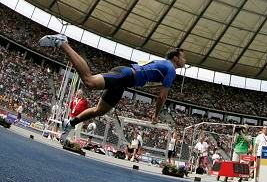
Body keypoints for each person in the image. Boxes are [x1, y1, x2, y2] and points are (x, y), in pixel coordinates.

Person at [39, 33, 186, 143]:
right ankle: (62, 42)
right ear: (175, 58)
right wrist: (156, 115)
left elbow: (151, 78)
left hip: (125, 81)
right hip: (126, 75)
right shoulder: (171, 69)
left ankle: (70, 123)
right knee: (89, 82)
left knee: (100, 110)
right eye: (183, 57)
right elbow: (162, 97)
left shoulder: (164, 65)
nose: (185, 60)